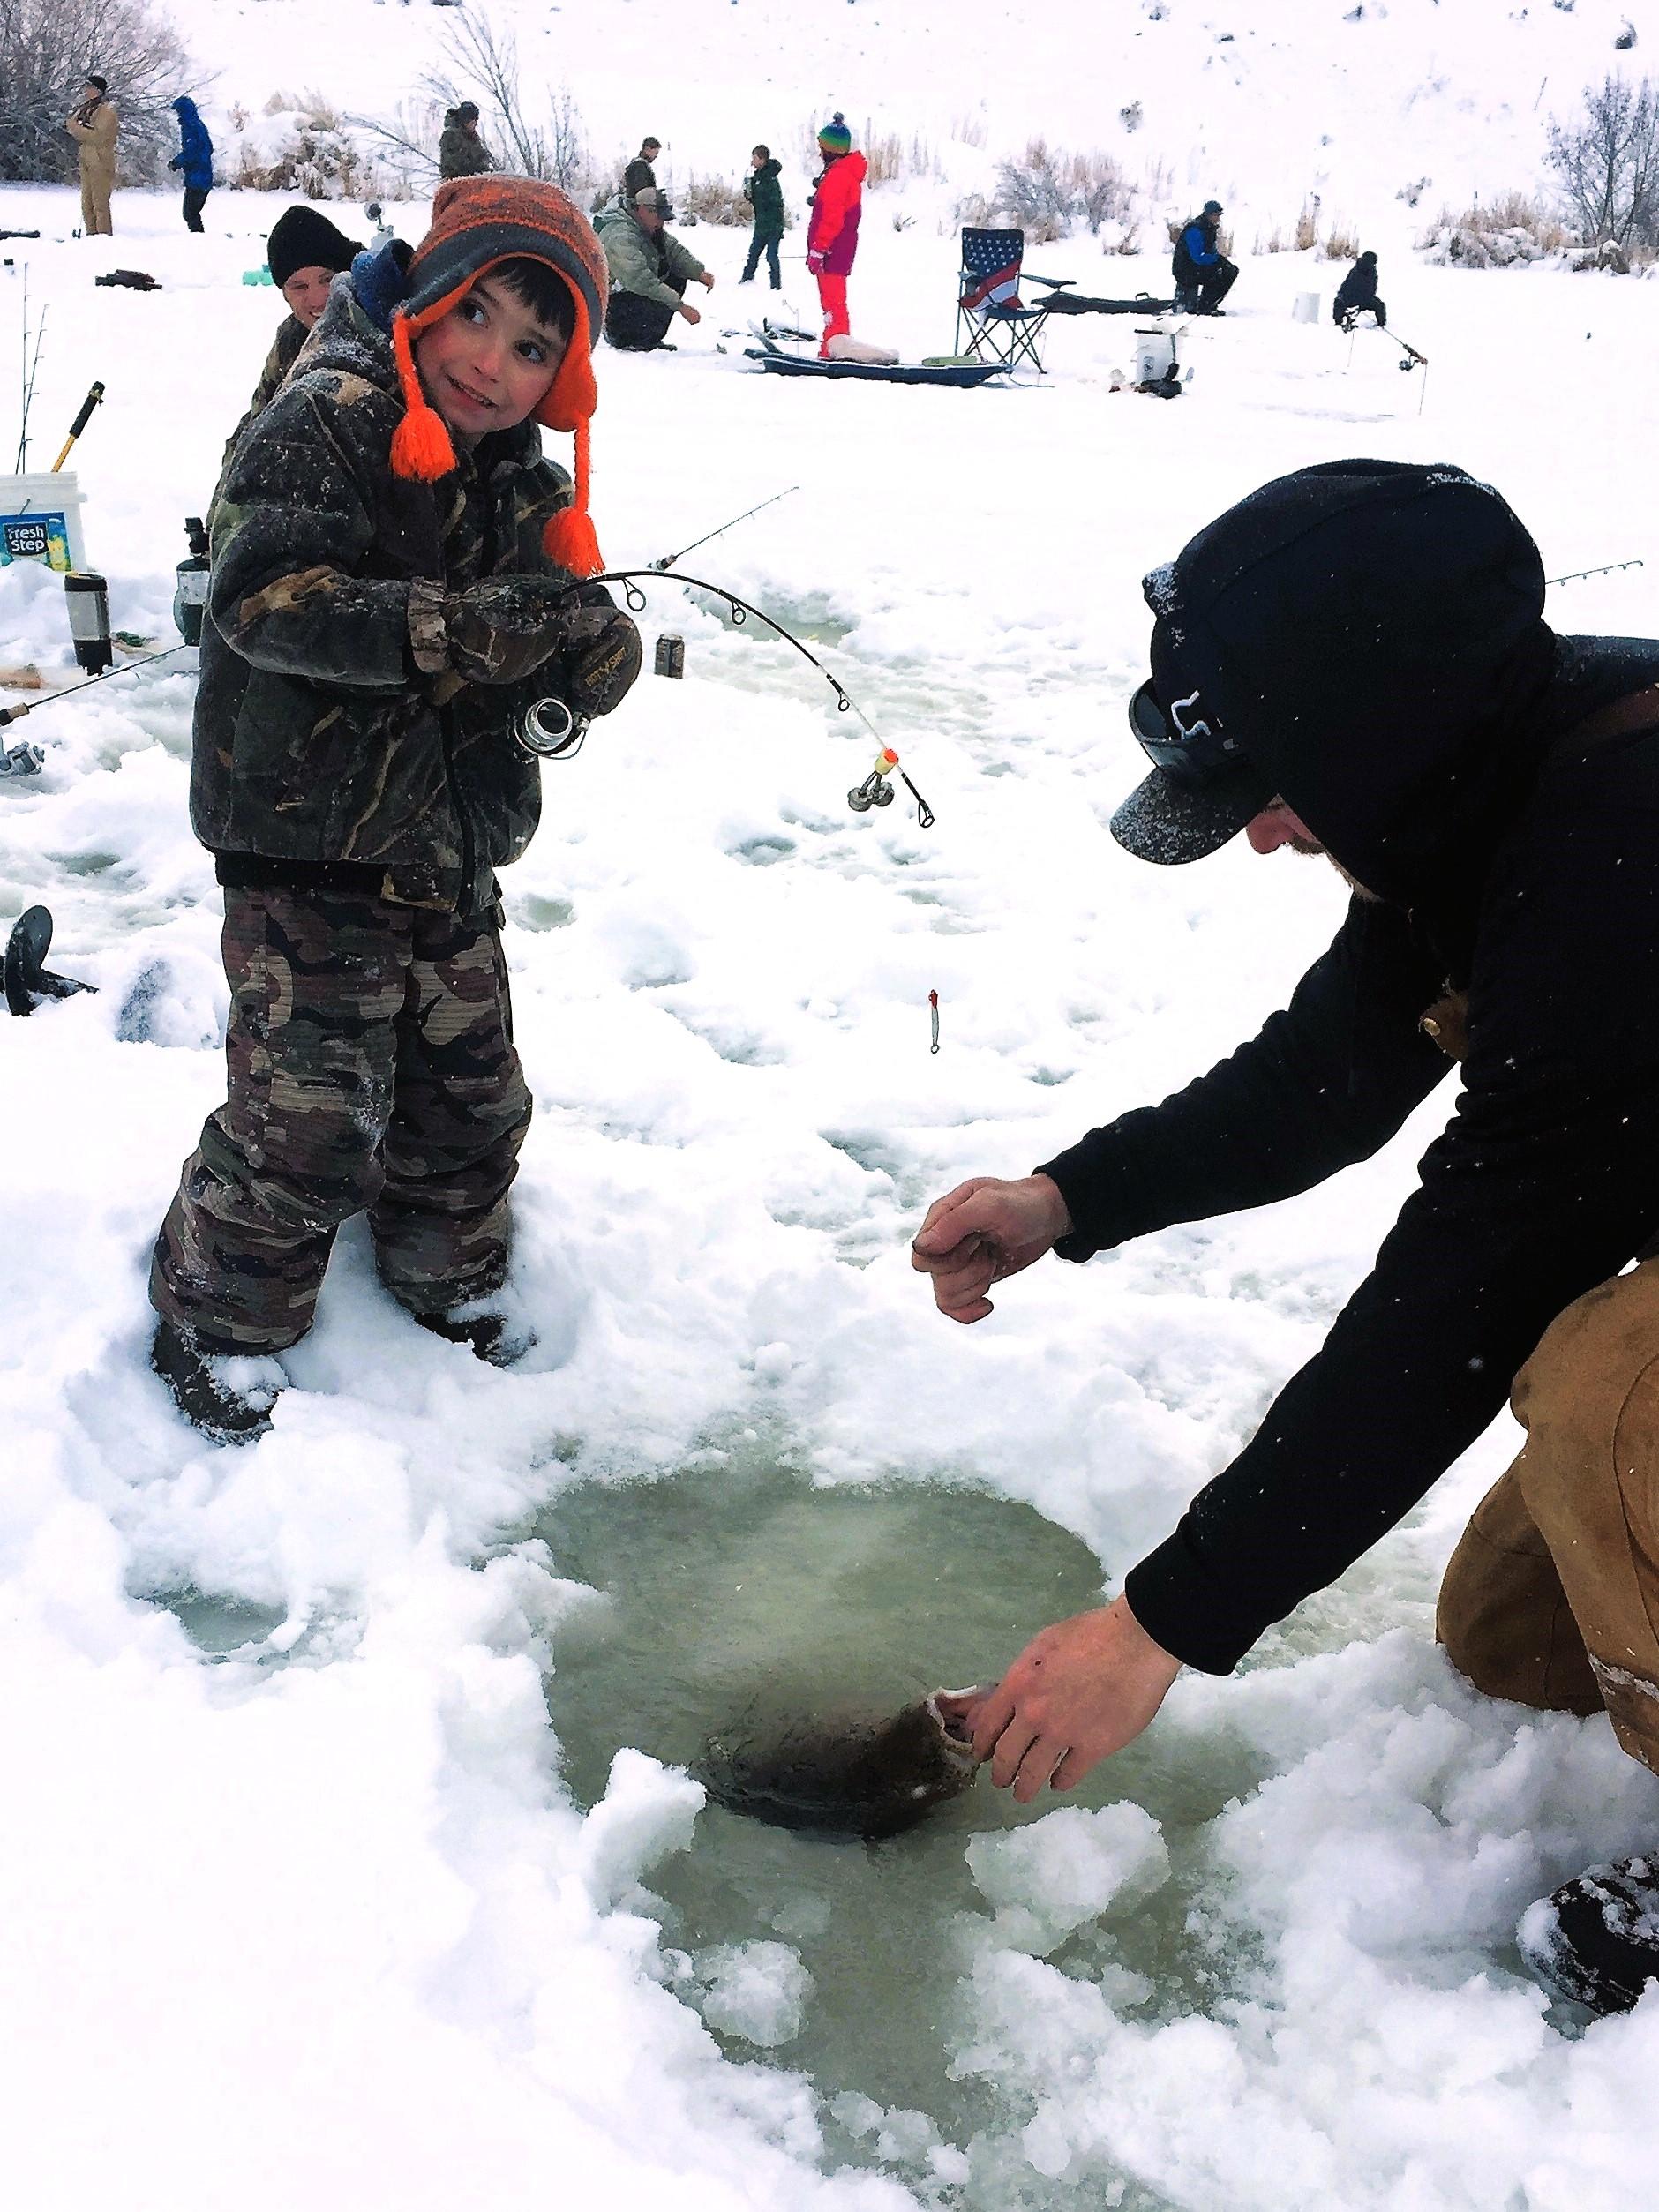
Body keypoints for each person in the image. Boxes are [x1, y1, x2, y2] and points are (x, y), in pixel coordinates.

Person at [912, 458, 1659, 2019]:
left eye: (1269, 788)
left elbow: (1463, 1291)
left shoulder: (1621, 853)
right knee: (1520, 1644)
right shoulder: (1476, 784)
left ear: (1378, 745)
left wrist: (1162, 1622)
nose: (1258, 836)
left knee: (1610, 1403)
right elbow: (1330, 1072)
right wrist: (1069, 1198)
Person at [149, 176, 643, 1440]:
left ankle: (449, 1270)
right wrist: (448, 628)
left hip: (448, 844)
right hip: (306, 846)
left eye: (536, 346)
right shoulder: (327, 416)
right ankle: (224, 1316)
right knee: (305, 1124)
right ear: (428, 295)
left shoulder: (520, 479)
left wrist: (585, 654)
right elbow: (259, 593)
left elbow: (543, 626)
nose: (496, 362)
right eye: (478, 315)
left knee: (471, 1097)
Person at [221, 206, 362, 463]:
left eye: (327, 279)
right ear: (284, 293)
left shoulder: (379, 330)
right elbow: (257, 420)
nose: (318, 299)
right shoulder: (291, 340)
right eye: (299, 286)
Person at [594, 185, 713, 350]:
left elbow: (673, 250)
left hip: (626, 298)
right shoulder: (620, 236)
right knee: (658, 290)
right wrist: (680, 306)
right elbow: (640, 280)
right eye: (659, 217)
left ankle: (648, 338)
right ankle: (628, 339)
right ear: (643, 210)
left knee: (675, 277)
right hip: (611, 311)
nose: (662, 223)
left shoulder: (644, 226)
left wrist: (699, 272)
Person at [806, 114, 865, 357]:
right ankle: (832, 346)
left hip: (833, 250)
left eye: (822, 148)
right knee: (833, 303)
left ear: (832, 150)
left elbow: (832, 219)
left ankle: (836, 349)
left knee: (833, 303)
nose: (820, 153)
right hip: (838, 248)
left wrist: (819, 249)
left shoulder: (838, 177)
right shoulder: (842, 174)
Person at [66, 75, 118, 238]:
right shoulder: (86, 108)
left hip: (101, 160)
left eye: (89, 87)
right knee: (86, 204)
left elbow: (98, 136)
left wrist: (77, 129)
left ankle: (103, 237)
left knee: (100, 203)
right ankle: (91, 236)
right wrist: (78, 129)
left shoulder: (107, 111)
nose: (85, 90)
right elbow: (72, 125)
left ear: (98, 90)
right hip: (86, 158)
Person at [1171, 199, 1236, 316]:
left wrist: (1219, 260)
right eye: (1216, 215)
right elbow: (1198, 257)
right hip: (1185, 271)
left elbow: (1210, 251)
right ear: (1209, 215)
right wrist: (1217, 259)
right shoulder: (1195, 229)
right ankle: (1204, 306)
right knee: (1216, 274)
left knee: (1230, 270)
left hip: (1195, 267)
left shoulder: (1209, 228)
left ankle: (1208, 304)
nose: (1218, 218)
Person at [740, 145, 784, 289]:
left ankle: (776, 285)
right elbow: (756, 200)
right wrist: (749, 195)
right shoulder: (756, 177)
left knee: (771, 256)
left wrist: (760, 197)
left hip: (773, 225)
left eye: (754, 158)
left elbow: (775, 202)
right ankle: (747, 278)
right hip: (761, 224)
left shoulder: (771, 178)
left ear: (762, 159)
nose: (752, 161)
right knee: (753, 253)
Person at [169, 96, 214, 232]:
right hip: (203, 175)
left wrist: (176, 163)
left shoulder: (190, 127)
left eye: (178, 111)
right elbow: (208, 148)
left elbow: (191, 152)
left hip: (197, 177)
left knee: (189, 213)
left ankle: (198, 238)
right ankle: (198, 236)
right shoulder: (198, 125)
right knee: (192, 213)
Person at [439, 101, 495, 182]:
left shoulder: (472, 136)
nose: (475, 124)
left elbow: (480, 156)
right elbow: (458, 165)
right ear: (465, 121)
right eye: (473, 121)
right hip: (455, 184)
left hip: (472, 182)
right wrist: (481, 171)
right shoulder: (451, 136)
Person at [1332, 249, 1385, 330]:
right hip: (1362, 300)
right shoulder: (1372, 272)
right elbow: (1373, 290)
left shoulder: (1356, 269)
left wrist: (1341, 295)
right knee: (1380, 305)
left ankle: (1338, 322)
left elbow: (1345, 285)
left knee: (1338, 301)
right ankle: (1381, 324)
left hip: (1349, 298)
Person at [624, 138, 662, 202]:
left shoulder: (636, 165)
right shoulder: (640, 167)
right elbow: (643, 192)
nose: (656, 156)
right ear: (648, 150)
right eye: (656, 153)